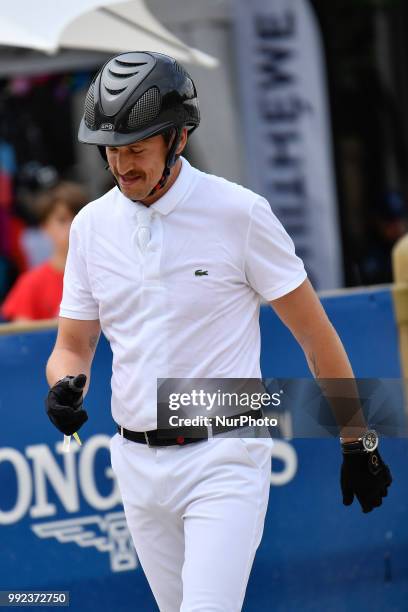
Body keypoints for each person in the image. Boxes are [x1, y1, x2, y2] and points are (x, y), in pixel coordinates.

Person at [44, 52, 392, 612]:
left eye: (136, 149)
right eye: (110, 150)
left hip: (223, 452)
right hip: (134, 464)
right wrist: (65, 386)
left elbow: (316, 337)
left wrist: (359, 441)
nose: (121, 165)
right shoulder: (90, 226)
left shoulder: (240, 213)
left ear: (177, 138)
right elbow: (72, 345)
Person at [1, 182, 88, 322]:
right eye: (62, 220)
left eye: (78, 217)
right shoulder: (30, 284)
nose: (73, 226)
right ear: (45, 227)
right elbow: (23, 339)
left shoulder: (105, 273)